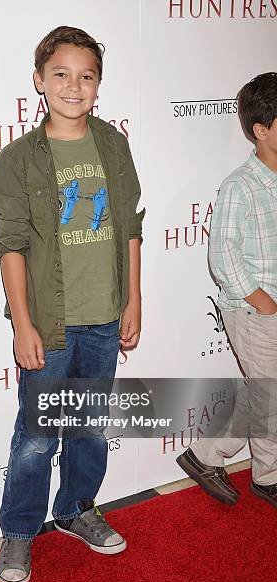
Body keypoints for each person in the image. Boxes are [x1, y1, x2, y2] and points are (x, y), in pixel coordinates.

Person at [0, 25, 145, 582]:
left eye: (86, 76)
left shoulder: (113, 144)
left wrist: (134, 298)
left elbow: (129, 226)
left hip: (104, 316)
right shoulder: (18, 159)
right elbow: (12, 244)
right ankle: (20, 530)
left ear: (98, 85)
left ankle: (77, 508)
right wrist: (22, 324)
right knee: (36, 433)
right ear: (39, 80)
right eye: (61, 74)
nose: (74, 86)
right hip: (48, 325)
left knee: (91, 427)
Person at [177, 72, 277, 509]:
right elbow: (224, 258)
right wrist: (265, 303)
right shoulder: (241, 186)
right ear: (261, 129)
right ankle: (269, 477)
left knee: (262, 392)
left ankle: (204, 456)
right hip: (255, 312)